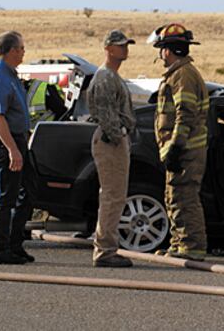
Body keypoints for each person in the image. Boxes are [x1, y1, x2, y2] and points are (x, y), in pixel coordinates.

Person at [148, 23, 209, 261]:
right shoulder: (179, 74)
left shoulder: (183, 76)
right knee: (175, 197)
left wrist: (175, 146)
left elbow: (186, 113)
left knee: (185, 198)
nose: (160, 54)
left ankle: (192, 247)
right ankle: (179, 244)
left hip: (186, 150)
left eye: (161, 48)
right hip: (183, 148)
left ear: (168, 50)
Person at [0, 31, 33, 264]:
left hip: (18, 140)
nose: (23, 52)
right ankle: (0, 250)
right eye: (21, 48)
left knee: (27, 193)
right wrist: (12, 150)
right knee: (7, 197)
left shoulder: (10, 75)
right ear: (11, 51)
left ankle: (14, 244)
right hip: (6, 142)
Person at [87, 30, 137, 267]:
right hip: (110, 141)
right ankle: (105, 250)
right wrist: (119, 136)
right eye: (120, 46)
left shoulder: (111, 76)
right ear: (108, 48)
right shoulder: (105, 77)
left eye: (126, 45)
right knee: (112, 196)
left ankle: (107, 246)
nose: (124, 49)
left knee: (114, 196)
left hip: (113, 139)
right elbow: (107, 117)